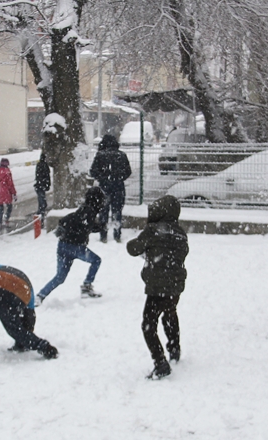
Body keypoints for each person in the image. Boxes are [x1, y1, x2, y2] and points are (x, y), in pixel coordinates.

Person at [126, 195, 188, 380]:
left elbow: (132, 248)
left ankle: (160, 362)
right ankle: (174, 349)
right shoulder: (180, 233)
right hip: (176, 286)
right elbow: (182, 253)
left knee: (148, 324)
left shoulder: (153, 231)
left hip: (157, 288)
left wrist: (146, 244)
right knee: (169, 312)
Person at [0, 265, 58, 360]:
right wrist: (24, 339)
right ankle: (44, 347)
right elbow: (30, 315)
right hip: (18, 292)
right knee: (14, 327)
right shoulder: (27, 287)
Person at [36, 187, 107, 304]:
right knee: (96, 260)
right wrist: (101, 227)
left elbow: (80, 223)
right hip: (76, 248)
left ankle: (40, 296)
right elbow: (87, 226)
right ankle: (86, 286)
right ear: (97, 200)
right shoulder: (89, 212)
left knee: (60, 277)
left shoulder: (84, 210)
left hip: (63, 246)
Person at [90, 134, 132, 243]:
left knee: (103, 212)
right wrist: (118, 177)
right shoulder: (121, 155)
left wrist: (103, 178)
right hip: (118, 187)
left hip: (104, 188)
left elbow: (93, 171)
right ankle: (117, 234)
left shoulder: (100, 155)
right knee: (117, 211)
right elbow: (128, 171)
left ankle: (103, 235)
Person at [0, 158, 17, 229]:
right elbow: (10, 184)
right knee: (9, 207)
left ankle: (0, 222)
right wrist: (14, 193)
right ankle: (6, 220)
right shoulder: (7, 172)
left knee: (0, 208)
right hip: (6, 192)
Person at [34, 152, 51, 219]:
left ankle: (40, 218)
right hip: (41, 186)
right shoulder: (45, 165)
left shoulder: (39, 164)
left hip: (39, 186)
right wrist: (47, 185)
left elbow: (38, 176)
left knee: (42, 204)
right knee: (43, 204)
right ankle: (40, 219)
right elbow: (47, 176)